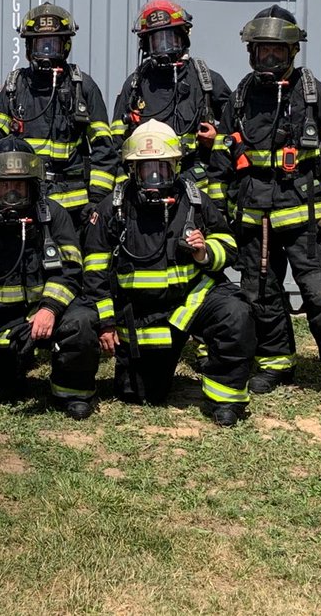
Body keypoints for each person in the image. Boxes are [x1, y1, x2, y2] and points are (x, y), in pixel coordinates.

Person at [218, 5, 321, 412]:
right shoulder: (241, 95)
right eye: (262, 51)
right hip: (254, 218)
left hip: (306, 220)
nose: (269, 59)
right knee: (261, 295)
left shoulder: (315, 95)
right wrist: (225, 204)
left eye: (277, 52)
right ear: (251, 53)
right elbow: (223, 155)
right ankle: (276, 363)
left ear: (292, 53)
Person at [73, 120, 254, 426]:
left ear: (175, 166)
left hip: (191, 301)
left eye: (162, 167)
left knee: (235, 312)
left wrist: (205, 252)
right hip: (142, 313)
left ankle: (227, 400)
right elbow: (94, 273)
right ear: (133, 170)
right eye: (146, 168)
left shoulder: (194, 199)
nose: (155, 176)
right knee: (142, 394)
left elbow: (229, 243)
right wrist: (106, 323)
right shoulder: (113, 208)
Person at [0, 137, 97, 418]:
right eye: (5, 187)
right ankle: (8, 367)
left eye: (19, 186)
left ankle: (71, 391)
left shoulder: (54, 215)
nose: (12, 195)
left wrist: (49, 308)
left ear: (33, 186)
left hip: (47, 314)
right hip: (1, 321)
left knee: (82, 321)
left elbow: (72, 270)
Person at [0, 4, 118, 226]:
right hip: (23, 201)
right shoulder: (13, 88)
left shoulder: (83, 88)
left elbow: (104, 150)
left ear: (65, 47)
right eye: (41, 45)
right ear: (29, 48)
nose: (47, 52)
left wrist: (96, 200)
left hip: (75, 208)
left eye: (53, 44)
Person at [111, 0, 231, 204]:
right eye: (157, 41)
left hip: (196, 186)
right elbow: (116, 144)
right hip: (145, 186)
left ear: (184, 38)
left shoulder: (206, 81)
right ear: (145, 44)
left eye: (171, 39)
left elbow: (236, 130)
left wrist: (216, 138)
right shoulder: (135, 85)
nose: (164, 47)